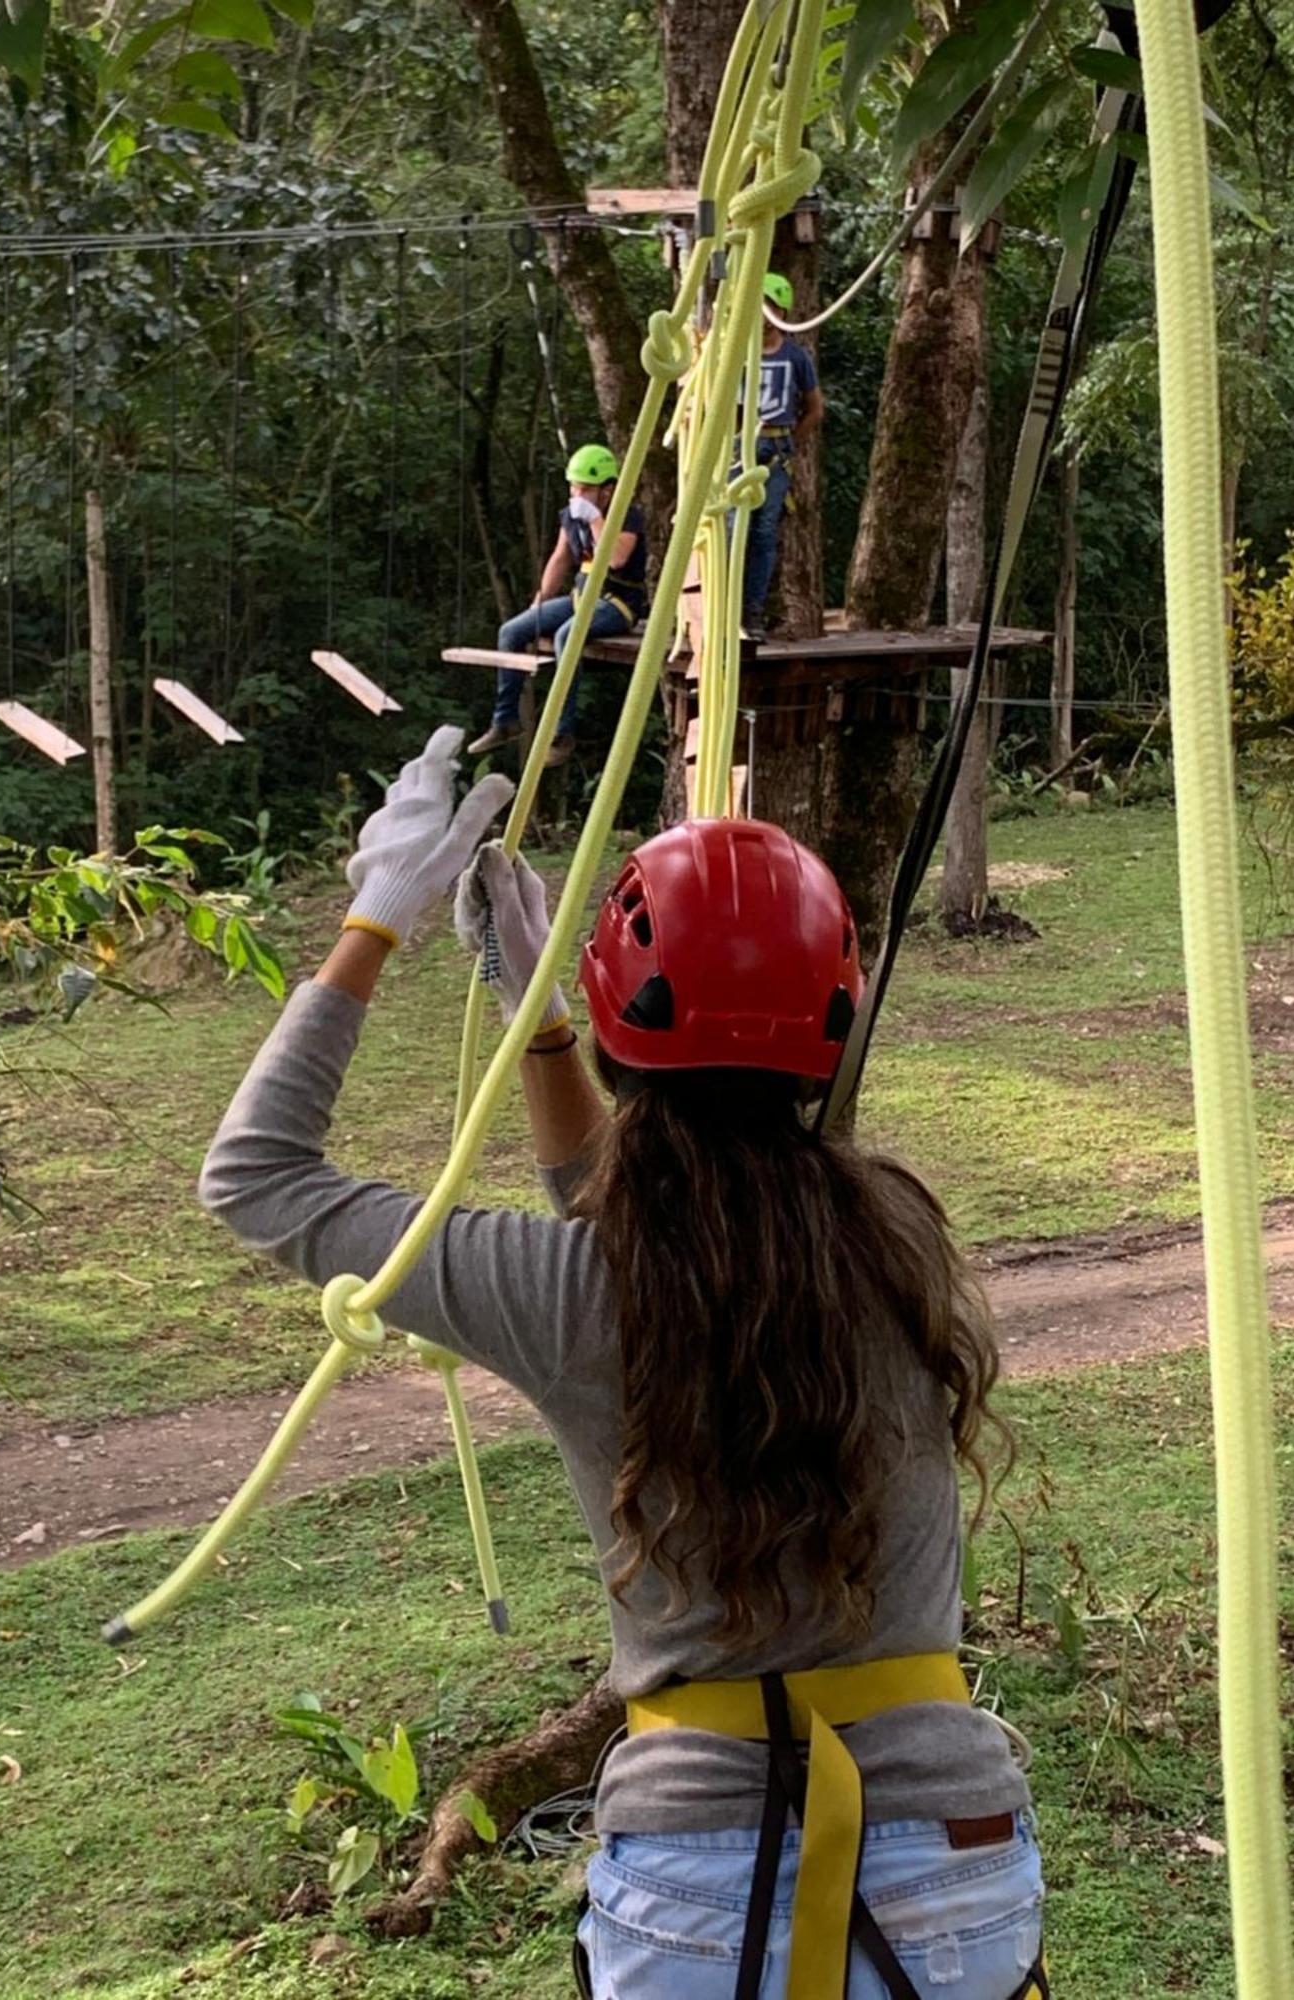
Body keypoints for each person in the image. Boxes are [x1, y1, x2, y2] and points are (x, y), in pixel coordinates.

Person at [199, 725, 1045, 2000]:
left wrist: (377, 918)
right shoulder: (896, 1237)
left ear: (620, 1025)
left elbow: (255, 1173)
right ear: (829, 1018)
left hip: (693, 1887)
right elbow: (656, 1228)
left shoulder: (573, 1291)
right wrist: (537, 1031)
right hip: (958, 1868)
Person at [468, 443, 647, 769]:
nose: (577, 494)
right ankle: (505, 720)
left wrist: (595, 520)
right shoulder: (572, 517)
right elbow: (561, 557)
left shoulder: (626, 516)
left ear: (607, 491)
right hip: (581, 599)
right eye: (573, 486)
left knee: (567, 637)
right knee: (512, 631)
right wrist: (541, 599)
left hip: (617, 604)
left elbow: (617, 559)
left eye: (586, 489)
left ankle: (562, 733)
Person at [739, 271, 824, 643]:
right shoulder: (736, 352)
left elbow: (815, 408)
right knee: (728, 529)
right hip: (738, 447)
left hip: (773, 449)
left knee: (762, 533)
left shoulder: (795, 358)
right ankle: (722, 605)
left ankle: (752, 611)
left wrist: (791, 442)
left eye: (766, 308)